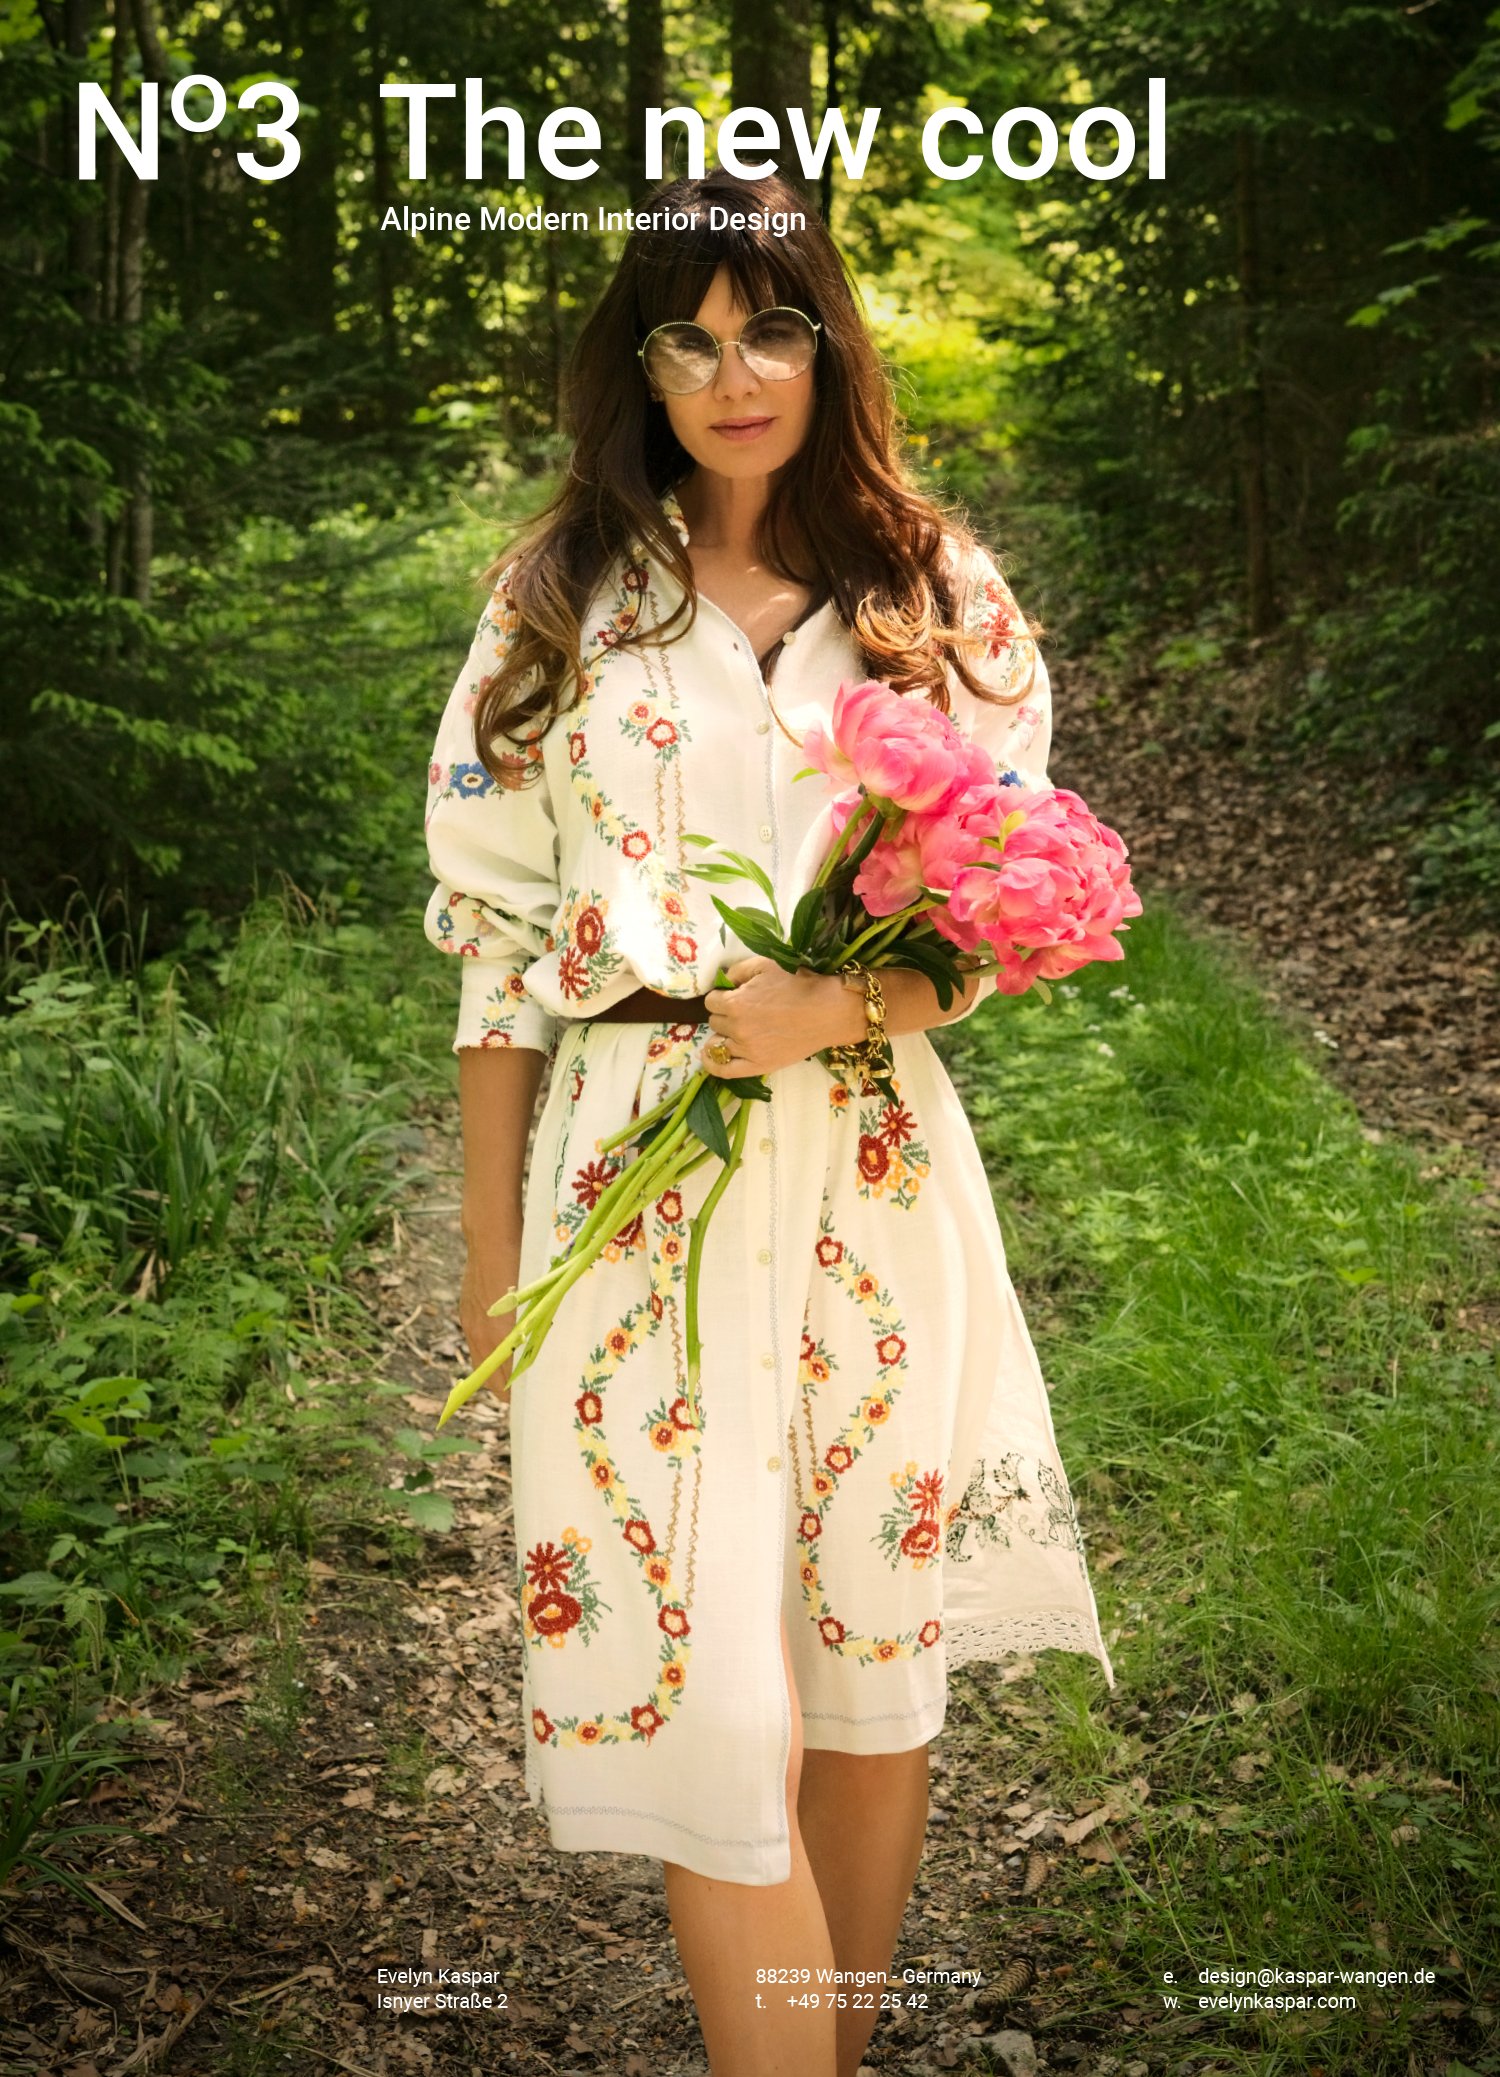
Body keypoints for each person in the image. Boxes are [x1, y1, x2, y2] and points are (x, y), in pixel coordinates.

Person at [423, 166, 1116, 2077]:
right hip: (629, 1167)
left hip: (875, 1165)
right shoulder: (555, 597)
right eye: (690, 340)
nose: (736, 376)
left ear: (829, 344)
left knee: (867, 1669)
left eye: (772, 330)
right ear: (640, 367)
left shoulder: (936, 593)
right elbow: (489, 949)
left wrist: (849, 998)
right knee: (708, 1705)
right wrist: (498, 1274)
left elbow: (1019, 912)